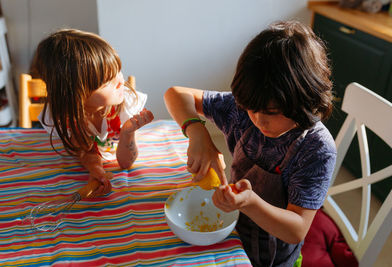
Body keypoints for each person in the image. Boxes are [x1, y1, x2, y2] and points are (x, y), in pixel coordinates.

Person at [164, 20, 337, 267]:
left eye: (271, 111)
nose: (257, 119)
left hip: (271, 257)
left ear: (305, 99)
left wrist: (251, 203)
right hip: (230, 234)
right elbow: (175, 94)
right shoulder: (242, 112)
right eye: (250, 108)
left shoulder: (316, 149)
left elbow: (296, 229)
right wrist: (197, 133)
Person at [31, 29, 154, 197]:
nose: (120, 81)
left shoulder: (125, 103)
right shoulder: (63, 116)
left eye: (118, 70)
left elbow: (126, 163)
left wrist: (127, 132)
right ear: (77, 96)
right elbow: (85, 150)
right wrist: (96, 169)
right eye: (107, 82)